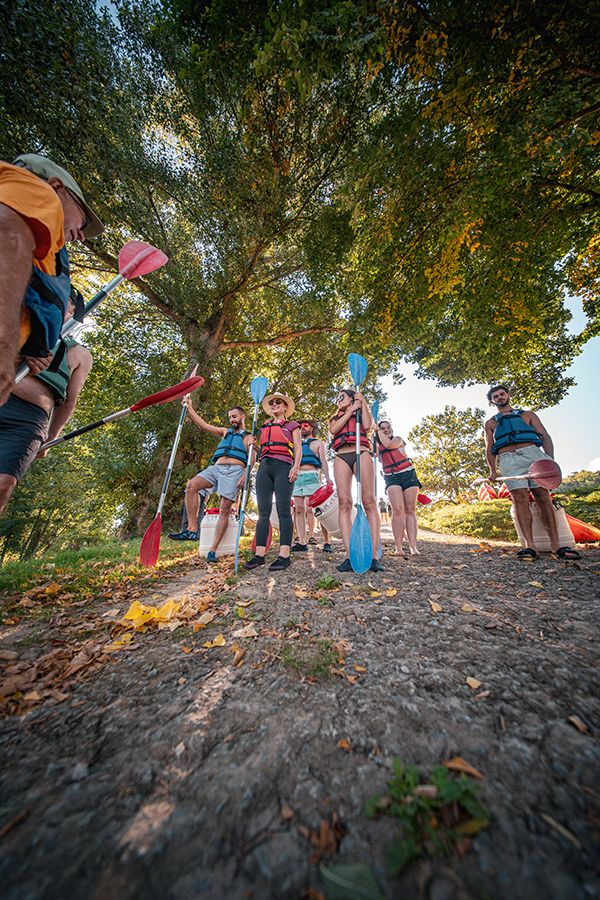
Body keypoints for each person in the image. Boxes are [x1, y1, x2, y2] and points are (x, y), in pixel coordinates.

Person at [0, 154, 103, 407]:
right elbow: (8, 237)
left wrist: (27, 352)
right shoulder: (38, 192)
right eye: (83, 220)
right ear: (57, 187)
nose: (81, 235)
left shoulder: (45, 248)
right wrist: (4, 346)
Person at [0, 292, 93, 518]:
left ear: (72, 312)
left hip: (29, 421)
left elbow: (70, 400)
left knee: (4, 482)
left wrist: (51, 437)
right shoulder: (13, 322)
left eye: (65, 303)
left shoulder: (80, 354)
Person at [484, 383, 580, 560]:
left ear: (508, 395)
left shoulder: (527, 415)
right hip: (508, 459)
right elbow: (490, 447)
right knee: (519, 499)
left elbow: (544, 436)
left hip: (533, 455)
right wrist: (493, 471)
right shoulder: (491, 423)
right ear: (492, 402)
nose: (499, 398)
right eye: (495, 396)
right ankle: (529, 546)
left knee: (543, 496)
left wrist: (549, 459)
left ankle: (556, 545)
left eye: (501, 394)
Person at [169, 403, 252, 563]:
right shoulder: (224, 432)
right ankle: (192, 529)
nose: (231, 420)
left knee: (225, 509)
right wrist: (190, 407)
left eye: (234, 416)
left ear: (242, 417)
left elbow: (252, 459)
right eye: (229, 417)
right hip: (216, 469)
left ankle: (212, 551)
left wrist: (245, 476)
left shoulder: (249, 437)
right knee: (191, 485)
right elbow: (204, 425)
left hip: (235, 471)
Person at [245, 391, 301, 572]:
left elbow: (298, 449)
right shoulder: (264, 426)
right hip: (264, 468)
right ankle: (259, 555)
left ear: (285, 407)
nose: (275, 404)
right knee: (263, 512)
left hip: (284, 467)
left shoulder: (293, 426)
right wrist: (253, 446)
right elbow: (260, 451)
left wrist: (296, 467)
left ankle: (284, 555)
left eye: (279, 402)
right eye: (272, 402)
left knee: (284, 511)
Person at [329, 388, 383, 573]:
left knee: (369, 502)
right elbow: (334, 430)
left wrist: (363, 403)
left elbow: (368, 427)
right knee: (344, 503)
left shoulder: (362, 412)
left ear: (352, 398)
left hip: (362, 453)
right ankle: (350, 555)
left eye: (342, 397)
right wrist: (350, 411)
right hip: (341, 456)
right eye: (337, 398)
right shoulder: (336, 416)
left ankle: (374, 556)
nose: (338, 400)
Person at [374, 420, 422, 556]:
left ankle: (413, 547)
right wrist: (374, 435)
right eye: (383, 428)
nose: (386, 430)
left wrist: (378, 430)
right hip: (391, 476)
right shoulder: (377, 445)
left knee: (410, 510)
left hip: (408, 474)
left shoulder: (397, 440)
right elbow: (374, 454)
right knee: (397, 510)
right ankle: (399, 547)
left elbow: (389, 445)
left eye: (388, 428)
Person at [290, 419, 332, 553]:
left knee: (319, 509)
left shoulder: (318, 443)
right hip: (298, 476)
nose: (302, 428)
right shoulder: (296, 443)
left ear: (312, 428)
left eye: (305, 426)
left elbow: (323, 461)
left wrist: (328, 478)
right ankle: (302, 541)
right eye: (300, 426)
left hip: (312, 475)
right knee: (299, 509)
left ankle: (327, 541)